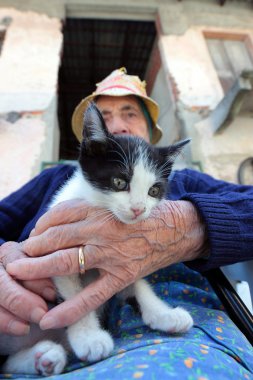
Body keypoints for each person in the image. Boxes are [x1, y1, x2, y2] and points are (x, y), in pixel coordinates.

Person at [0, 68, 253, 379]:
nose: (117, 124)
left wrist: (192, 223)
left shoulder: (184, 182)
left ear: (151, 132)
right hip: (39, 324)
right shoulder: (56, 180)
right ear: (92, 142)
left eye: (129, 113)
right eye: (105, 115)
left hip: (168, 344)